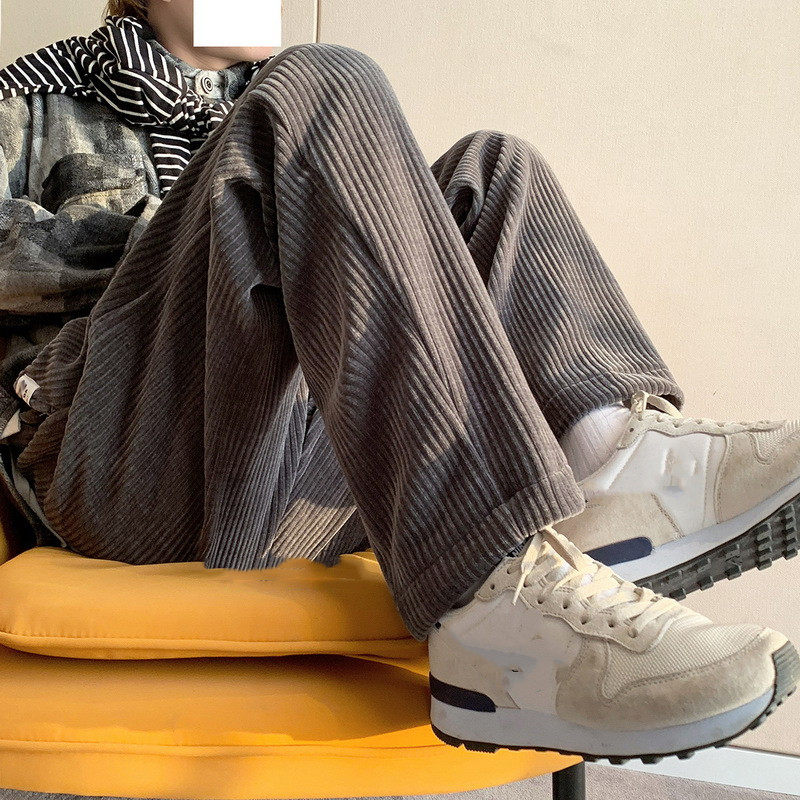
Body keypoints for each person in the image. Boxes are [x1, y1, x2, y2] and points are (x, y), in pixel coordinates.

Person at [0, 0, 796, 763]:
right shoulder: (32, 97)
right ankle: (497, 603)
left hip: (281, 476)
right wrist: (185, 223)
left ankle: (611, 461)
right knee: (321, 82)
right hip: (111, 466)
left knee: (493, 170)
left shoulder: (271, 109)